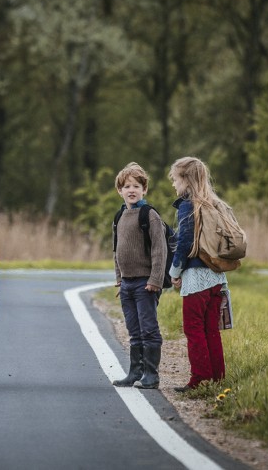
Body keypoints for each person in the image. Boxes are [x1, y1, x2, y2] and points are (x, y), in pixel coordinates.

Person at [168, 157, 227, 392]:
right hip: (218, 277)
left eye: (175, 179)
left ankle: (200, 379)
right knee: (211, 329)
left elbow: (183, 243)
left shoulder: (187, 205)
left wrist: (174, 272)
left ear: (186, 179)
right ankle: (217, 377)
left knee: (193, 329)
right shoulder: (215, 204)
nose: (174, 185)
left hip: (196, 278)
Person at [112, 162, 168, 390]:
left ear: (144, 189)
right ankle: (135, 371)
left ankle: (151, 375)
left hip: (146, 283)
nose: (132, 190)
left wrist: (155, 280)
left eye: (136, 186)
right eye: (127, 186)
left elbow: (159, 250)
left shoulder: (150, 215)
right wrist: (119, 278)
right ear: (120, 190)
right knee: (134, 330)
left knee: (148, 329)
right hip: (127, 284)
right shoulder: (119, 216)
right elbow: (116, 250)